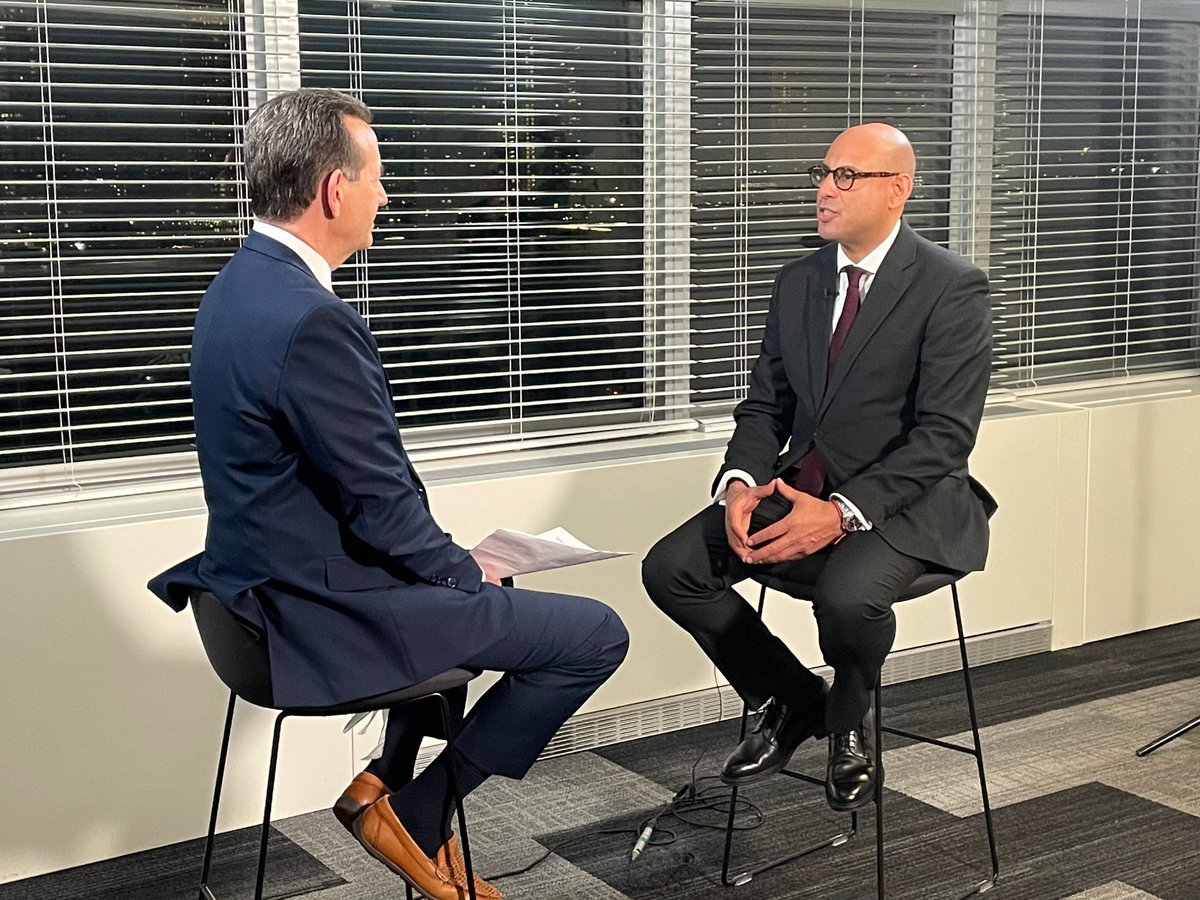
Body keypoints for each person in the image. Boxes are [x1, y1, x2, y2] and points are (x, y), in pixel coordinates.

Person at [148, 88, 628, 900]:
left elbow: (345, 493)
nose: (386, 194)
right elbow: (380, 503)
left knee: (464, 604)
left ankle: (382, 779)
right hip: (314, 610)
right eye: (377, 176)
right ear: (335, 189)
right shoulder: (310, 319)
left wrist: (447, 567)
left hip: (254, 593)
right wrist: (461, 572)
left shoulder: (236, 288)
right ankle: (417, 812)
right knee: (594, 635)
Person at [642, 122, 996, 812]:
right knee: (670, 568)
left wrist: (839, 514)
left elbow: (945, 439)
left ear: (898, 190)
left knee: (846, 596)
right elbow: (764, 407)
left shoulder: (953, 286)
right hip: (800, 480)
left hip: (910, 499)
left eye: (846, 175)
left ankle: (847, 723)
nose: (825, 188)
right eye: (823, 172)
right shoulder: (799, 280)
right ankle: (796, 697)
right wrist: (741, 483)